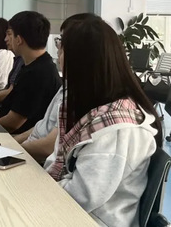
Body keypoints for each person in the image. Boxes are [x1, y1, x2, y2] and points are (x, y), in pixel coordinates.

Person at [44, 18, 161, 227]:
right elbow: (55, 160)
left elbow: (79, 198)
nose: (58, 57)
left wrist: (37, 189)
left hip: (92, 220)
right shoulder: (90, 109)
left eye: (61, 50)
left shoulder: (116, 129)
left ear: (80, 62)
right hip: (69, 212)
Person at [15, 13, 98, 164]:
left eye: (62, 42)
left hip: (38, 162)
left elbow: (48, 147)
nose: (58, 49)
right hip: (30, 152)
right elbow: (42, 127)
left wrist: (13, 148)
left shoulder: (82, 95)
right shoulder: (68, 84)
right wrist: (11, 142)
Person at [0, 11, 61, 134]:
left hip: (17, 137)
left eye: (10, 34)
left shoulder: (38, 73)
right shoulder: (32, 65)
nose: (5, 39)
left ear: (19, 39)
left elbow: (13, 123)